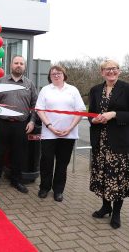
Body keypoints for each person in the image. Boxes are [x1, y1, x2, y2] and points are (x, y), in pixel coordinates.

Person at [88, 59, 129, 229]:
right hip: (101, 142)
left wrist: (114, 114)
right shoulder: (95, 90)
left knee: (117, 179)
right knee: (103, 176)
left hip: (120, 144)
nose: (110, 72)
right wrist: (94, 120)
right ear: (102, 72)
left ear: (119, 71)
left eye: (114, 69)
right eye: (107, 69)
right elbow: (91, 113)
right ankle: (106, 207)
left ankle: (117, 213)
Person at [0, 55, 38, 193]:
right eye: (16, 63)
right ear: (11, 65)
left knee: (18, 153)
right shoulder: (0, 82)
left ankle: (16, 180)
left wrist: (32, 121)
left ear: (24, 66)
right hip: (2, 123)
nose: (19, 65)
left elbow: (35, 105)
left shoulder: (29, 84)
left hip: (21, 124)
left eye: (21, 63)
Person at [35, 65, 86, 202]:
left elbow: (80, 110)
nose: (56, 75)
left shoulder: (73, 90)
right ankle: (44, 188)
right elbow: (39, 109)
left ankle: (58, 190)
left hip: (67, 134)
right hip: (49, 134)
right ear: (50, 76)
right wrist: (49, 126)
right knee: (46, 161)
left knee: (62, 163)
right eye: (53, 74)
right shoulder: (45, 90)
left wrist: (70, 128)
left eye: (59, 73)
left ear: (64, 75)